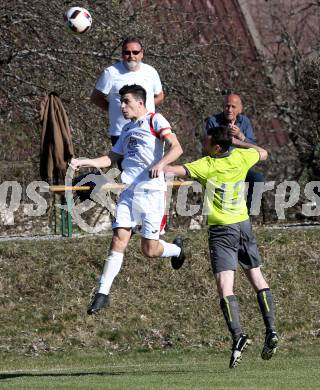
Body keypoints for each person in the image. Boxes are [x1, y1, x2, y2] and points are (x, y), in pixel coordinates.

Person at [164, 126, 278, 369]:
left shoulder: (207, 165)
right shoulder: (240, 156)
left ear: (216, 147)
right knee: (257, 277)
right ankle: (271, 330)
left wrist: (148, 166)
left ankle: (238, 335)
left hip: (222, 231)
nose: (203, 141)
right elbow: (264, 153)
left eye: (208, 139)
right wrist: (242, 142)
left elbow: (170, 170)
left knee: (225, 286)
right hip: (244, 225)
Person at [70, 84, 184, 315]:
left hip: (151, 193)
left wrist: (161, 164)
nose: (122, 106)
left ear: (140, 103)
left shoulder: (155, 120)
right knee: (118, 239)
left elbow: (176, 148)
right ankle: (102, 293)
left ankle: (177, 251)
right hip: (129, 192)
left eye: (126, 102)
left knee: (149, 250)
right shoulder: (127, 129)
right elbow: (110, 158)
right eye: (121, 102)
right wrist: (85, 162)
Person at [91, 36, 164, 146]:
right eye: (127, 52)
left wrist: (142, 108)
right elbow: (96, 98)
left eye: (135, 52)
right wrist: (114, 109)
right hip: (121, 133)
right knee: (125, 164)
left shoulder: (151, 72)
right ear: (122, 54)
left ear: (142, 53)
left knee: (154, 164)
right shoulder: (110, 73)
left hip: (148, 131)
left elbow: (160, 95)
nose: (131, 56)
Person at [205, 94, 264, 214]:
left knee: (258, 179)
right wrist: (226, 136)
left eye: (233, 106)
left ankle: (249, 215)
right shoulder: (213, 121)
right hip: (220, 165)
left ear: (240, 109)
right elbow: (209, 145)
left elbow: (253, 146)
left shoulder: (245, 122)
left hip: (239, 165)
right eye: (227, 106)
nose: (229, 110)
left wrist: (240, 136)